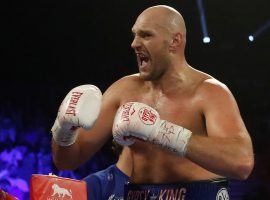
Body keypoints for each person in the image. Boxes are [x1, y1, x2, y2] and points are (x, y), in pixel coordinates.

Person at [51, 5, 254, 199]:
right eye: (135, 35)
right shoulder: (124, 90)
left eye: (146, 35)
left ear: (175, 41)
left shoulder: (209, 92)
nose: (134, 43)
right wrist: (63, 130)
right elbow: (67, 161)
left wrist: (160, 131)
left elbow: (242, 163)